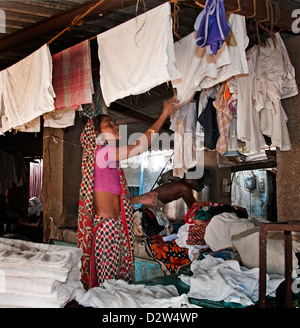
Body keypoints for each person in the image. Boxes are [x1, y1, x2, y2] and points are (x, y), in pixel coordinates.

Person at [77, 97, 178, 288]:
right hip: (106, 229)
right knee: (109, 287)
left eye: (115, 123)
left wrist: (138, 199)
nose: (115, 126)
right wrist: (164, 115)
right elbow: (139, 147)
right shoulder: (101, 154)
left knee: (113, 286)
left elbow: (111, 200)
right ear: (96, 133)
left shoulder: (109, 163)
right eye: (109, 124)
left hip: (114, 228)